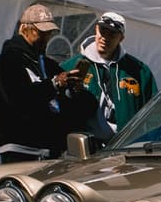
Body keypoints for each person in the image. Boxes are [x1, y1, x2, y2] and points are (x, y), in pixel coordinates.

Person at [0, 2, 98, 163]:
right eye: (40, 32)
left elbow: (73, 105)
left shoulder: (47, 64)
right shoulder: (9, 59)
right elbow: (18, 99)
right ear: (25, 28)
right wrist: (55, 84)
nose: (45, 37)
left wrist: (73, 91)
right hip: (19, 148)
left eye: (49, 33)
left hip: (49, 150)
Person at [59, 11, 156, 139]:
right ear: (96, 29)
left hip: (124, 147)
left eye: (112, 34)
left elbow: (154, 114)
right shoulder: (70, 67)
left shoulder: (139, 71)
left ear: (121, 38)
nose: (105, 37)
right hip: (85, 148)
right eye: (102, 31)